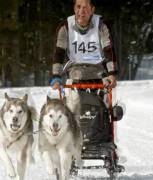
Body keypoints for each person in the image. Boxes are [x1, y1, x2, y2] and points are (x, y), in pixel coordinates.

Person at [50, 0, 120, 149]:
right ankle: (70, 140)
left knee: (107, 109)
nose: (82, 11)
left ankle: (107, 141)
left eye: (85, 8)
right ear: (74, 9)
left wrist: (112, 73)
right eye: (78, 7)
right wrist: (56, 76)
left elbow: (109, 50)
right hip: (75, 74)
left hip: (99, 73)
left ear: (92, 9)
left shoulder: (101, 25)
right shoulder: (65, 27)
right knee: (71, 109)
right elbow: (58, 52)